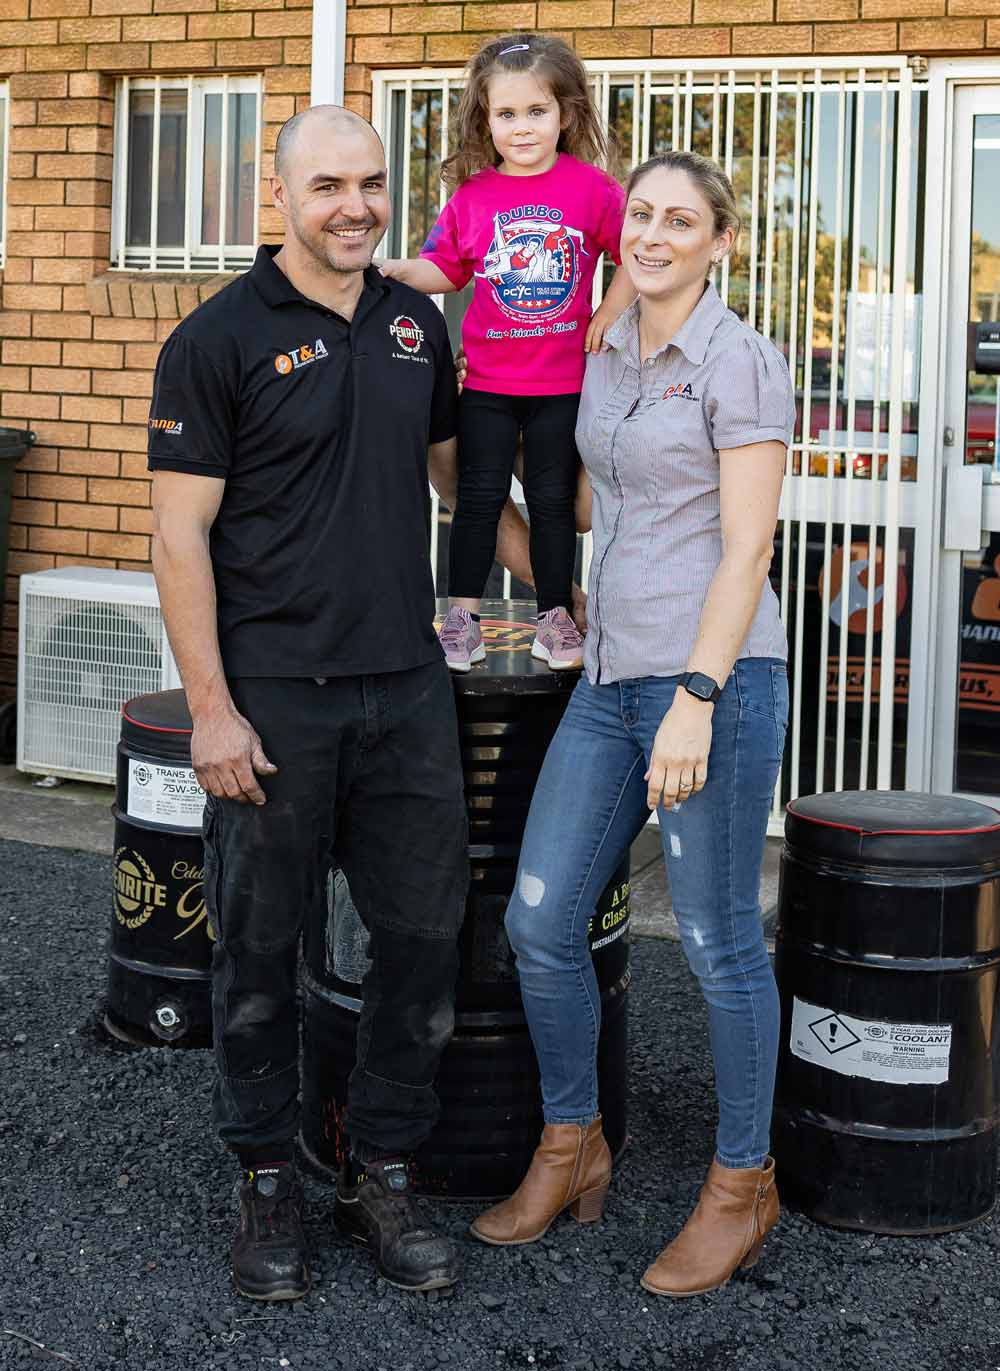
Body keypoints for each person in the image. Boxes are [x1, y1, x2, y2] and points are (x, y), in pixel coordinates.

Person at [147, 105, 535, 1302]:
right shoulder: (214, 341)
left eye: (371, 184)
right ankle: (268, 1173)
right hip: (272, 699)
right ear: (281, 198)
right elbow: (177, 538)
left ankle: (383, 1168)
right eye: (328, 187)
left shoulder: (418, 322)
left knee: (423, 941)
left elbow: (456, 480)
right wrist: (212, 711)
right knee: (259, 949)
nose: (354, 206)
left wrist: (566, 596)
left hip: (406, 687)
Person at [471, 150, 794, 1298]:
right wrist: (456, 480)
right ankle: (575, 1143)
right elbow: (586, 515)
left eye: (679, 220)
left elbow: (746, 545)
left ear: (720, 241)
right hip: (608, 680)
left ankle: (739, 1187)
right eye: (640, 216)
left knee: (713, 944)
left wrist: (697, 703)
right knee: (539, 921)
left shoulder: (740, 361)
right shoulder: (603, 357)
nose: (652, 234)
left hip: (714, 681)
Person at [380, 33, 635, 674]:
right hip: (489, 384)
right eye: (506, 114)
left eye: (536, 112)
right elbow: (447, 268)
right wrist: (393, 272)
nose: (521, 128)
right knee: (477, 498)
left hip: (561, 385)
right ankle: (462, 618)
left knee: (553, 504)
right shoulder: (474, 197)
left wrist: (606, 311)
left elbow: (632, 257)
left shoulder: (594, 190)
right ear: (486, 119)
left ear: (566, 114)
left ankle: (556, 619)